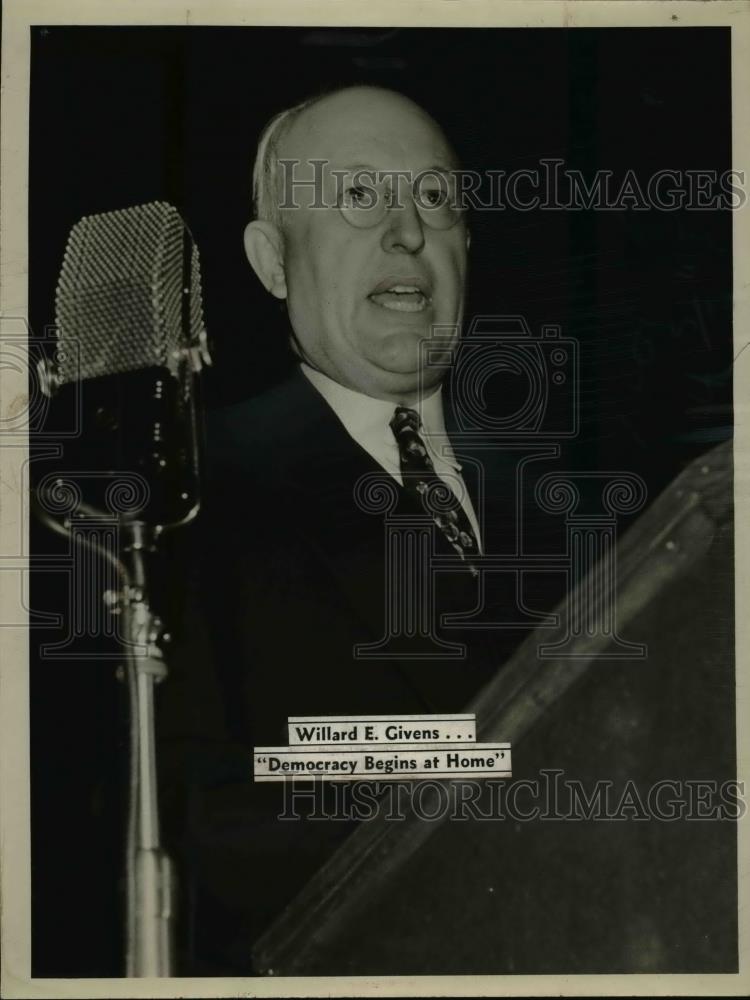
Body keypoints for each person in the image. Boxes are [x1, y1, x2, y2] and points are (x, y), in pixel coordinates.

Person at [157, 84, 516, 974]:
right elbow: (199, 831)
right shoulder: (181, 505)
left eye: (436, 199)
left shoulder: (599, 494)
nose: (408, 232)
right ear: (273, 261)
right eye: (358, 197)